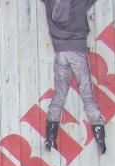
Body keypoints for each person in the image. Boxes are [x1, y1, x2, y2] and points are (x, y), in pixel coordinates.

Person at [42, 0, 106, 153]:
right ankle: (100, 137)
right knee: (87, 97)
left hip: (60, 53)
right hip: (78, 51)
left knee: (59, 95)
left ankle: (51, 137)